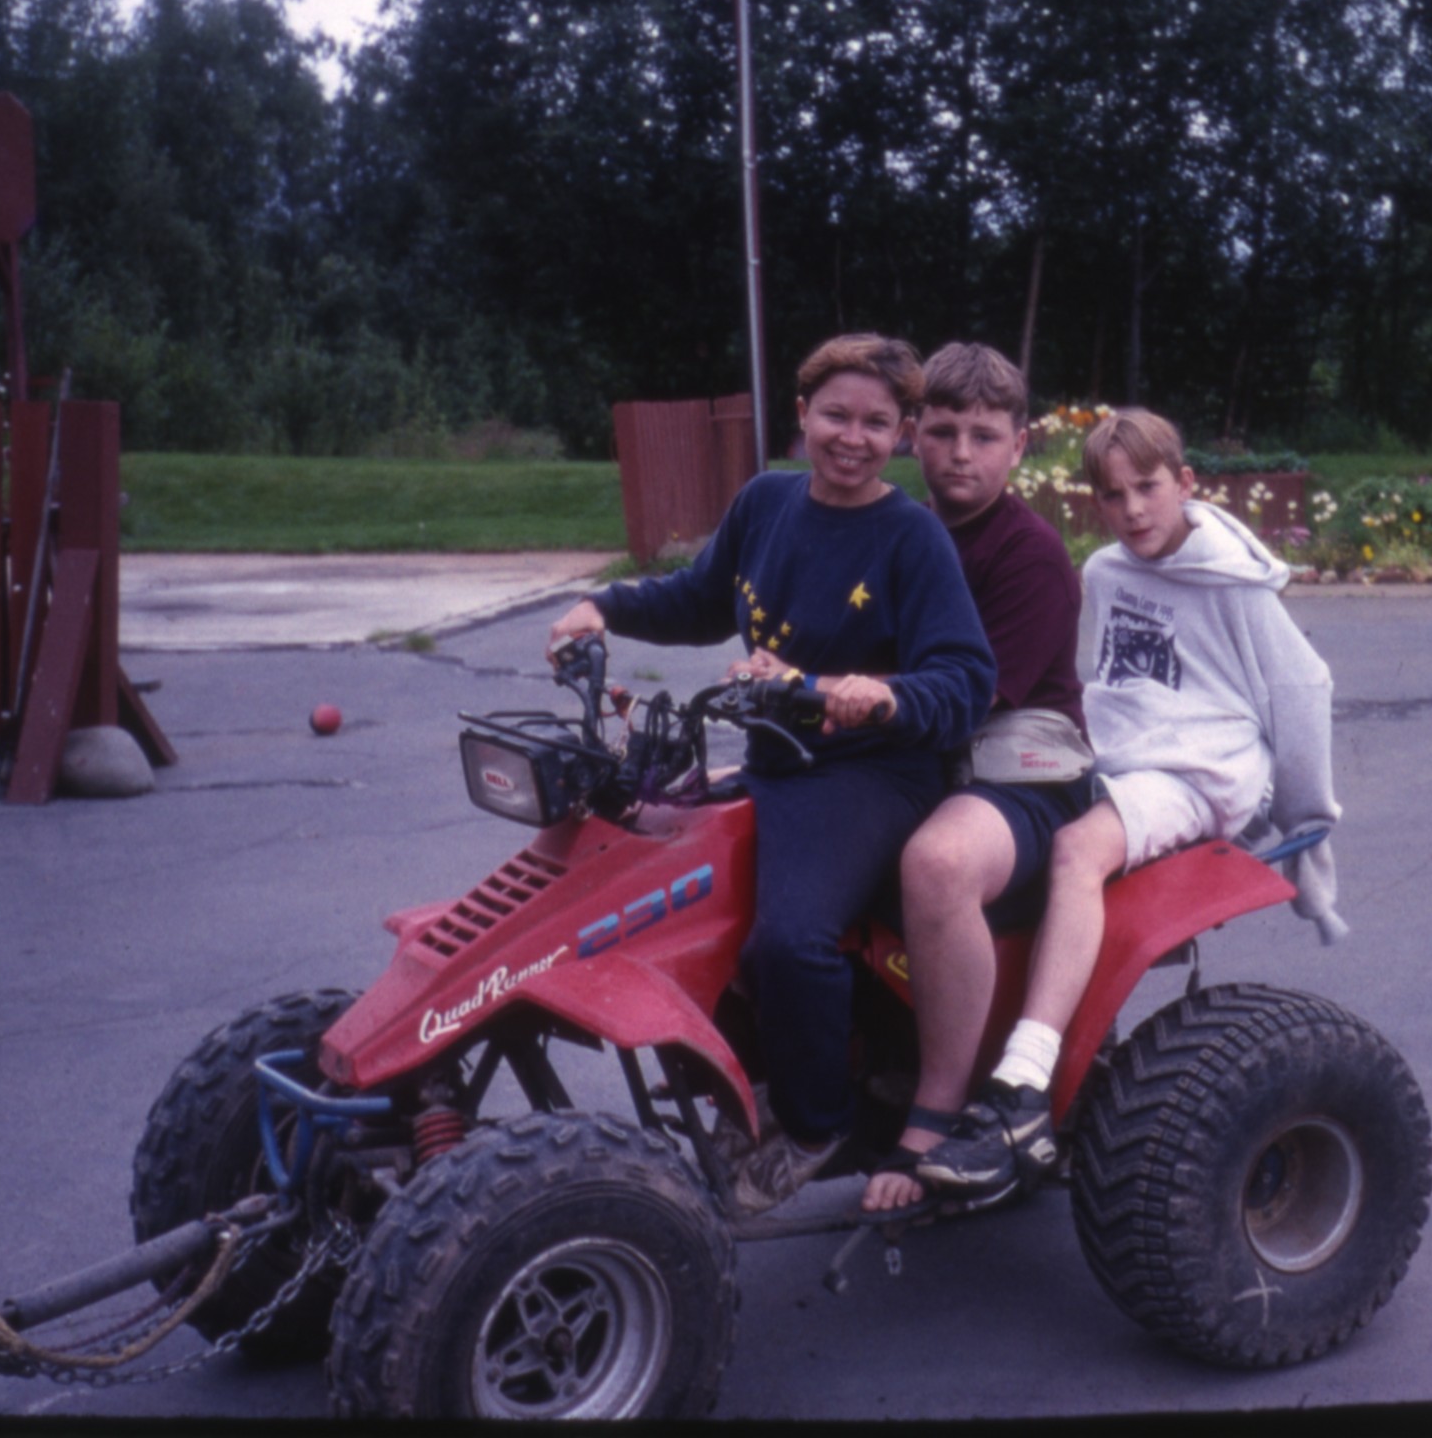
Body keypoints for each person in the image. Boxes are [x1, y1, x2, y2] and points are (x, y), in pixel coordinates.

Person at [546, 334, 995, 1215]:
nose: (853, 438)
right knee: (650, 890)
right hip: (775, 761)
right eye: (836, 415)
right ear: (801, 415)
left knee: (788, 942)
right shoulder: (765, 503)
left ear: (902, 433)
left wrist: (874, 695)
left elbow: (966, 681)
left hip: (870, 774)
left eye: (877, 423)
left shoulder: (910, 538)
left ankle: (813, 1122)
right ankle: (746, 1079)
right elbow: (699, 597)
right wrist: (604, 606)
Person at [915, 407, 1346, 1197]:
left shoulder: (1237, 586)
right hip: (1116, 763)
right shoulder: (1107, 573)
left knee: (1078, 850)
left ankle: (1022, 1086)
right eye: (1112, 496)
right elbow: (1112, 689)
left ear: (1185, 482)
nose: (1133, 510)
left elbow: (1304, 689)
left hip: (1198, 771)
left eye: (1147, 488)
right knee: (991, 825)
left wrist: (1307, 819)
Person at [861, 343, 1091, 1214]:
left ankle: (938, 1108)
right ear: (912, 435)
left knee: (939, 862)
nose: (962, 453)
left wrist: (841, 698)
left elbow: (966, 701)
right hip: (911, 751)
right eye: (944, 432)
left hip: (1020, 769)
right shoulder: (892, 528)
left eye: (985, 436)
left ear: (1019, 446)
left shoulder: (1029, 555)